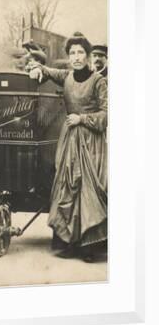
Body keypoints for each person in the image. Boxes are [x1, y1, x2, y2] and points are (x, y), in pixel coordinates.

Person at [29, 32, 107, 262]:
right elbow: (47, 71)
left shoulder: (98, 81)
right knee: (66, 186)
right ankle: (69, 242)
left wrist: (82, 119)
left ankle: (89, 246)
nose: (76, 56)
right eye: (72, 52)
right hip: (69, 140)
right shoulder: (67, 76)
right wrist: (37, 69)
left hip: (91, 142)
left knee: (88, 189)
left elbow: (107, 113)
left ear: (88, 55)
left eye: (80, 52)